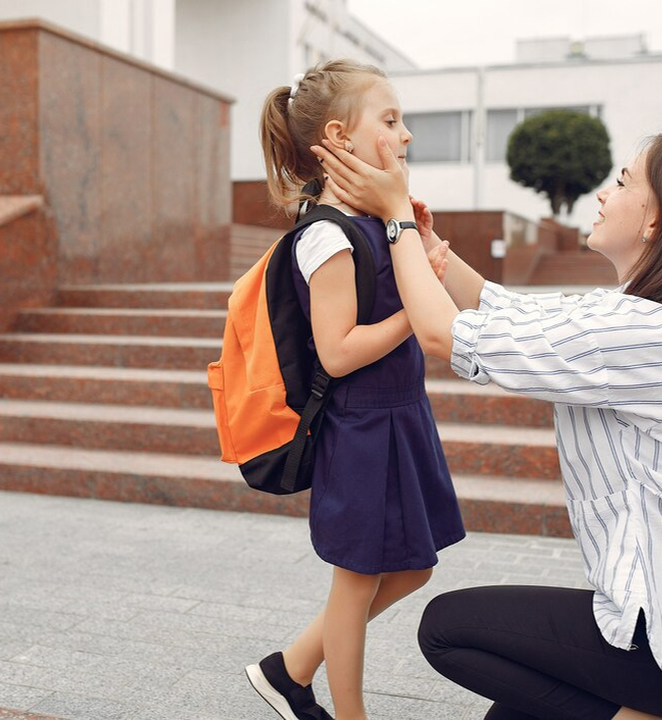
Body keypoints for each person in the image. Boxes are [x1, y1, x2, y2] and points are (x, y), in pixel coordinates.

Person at [310, 129, 662, 720]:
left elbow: (445, 334)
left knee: (448, 629)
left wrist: (396, 221)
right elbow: (498, 307)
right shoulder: (638, 316)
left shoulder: (640, 333)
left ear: (656, 221)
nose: (604, 194)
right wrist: (422, 235)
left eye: (623, 182)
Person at [246, 60, 466, 720]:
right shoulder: (325, 237)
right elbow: (338, 354)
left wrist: (419, 250)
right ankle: (346, 713)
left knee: (413, 567)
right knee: (357, 579)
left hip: (401, 418)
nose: (404, 137)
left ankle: (288, 670)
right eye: (391, 120)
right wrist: (415, 311)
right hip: (363, 429)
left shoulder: (377, 220)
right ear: (339, 137)